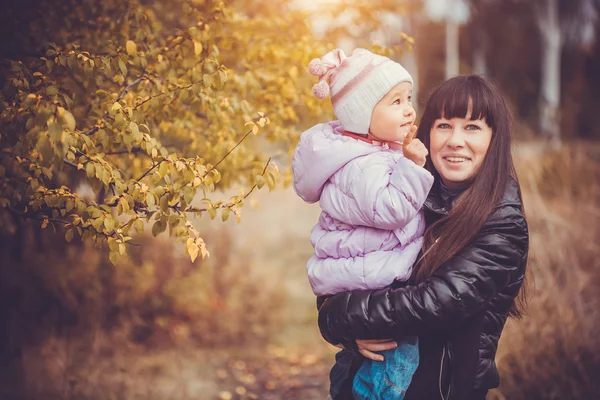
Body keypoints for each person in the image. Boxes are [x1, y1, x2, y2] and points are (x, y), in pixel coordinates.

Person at [317, 74, 529, 400]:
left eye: (472, 127)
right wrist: (341, 327)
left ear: (494, 139)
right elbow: (346, 266)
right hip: (357, 385)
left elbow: (435, 302)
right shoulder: (404, 197)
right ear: (427, 133)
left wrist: (343, 314)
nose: (455, 140)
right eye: (444, 125)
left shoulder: (502, 223)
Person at [292, 48, 434, 400]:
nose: (408, 109)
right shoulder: (361, 165)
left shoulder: (366, 152)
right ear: (361, 114)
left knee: (375, 368)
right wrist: (412, 167)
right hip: (375, 283)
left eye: (409, 98)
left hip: (369, 278)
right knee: (392, 367)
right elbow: (390, 210)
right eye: (395, 101)